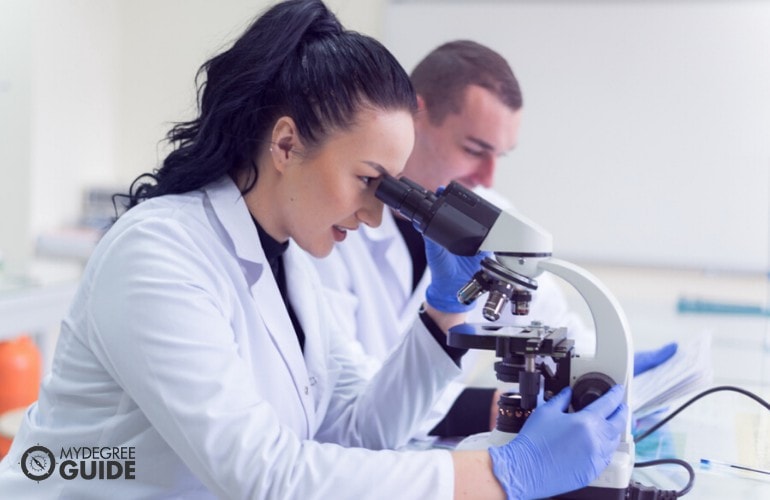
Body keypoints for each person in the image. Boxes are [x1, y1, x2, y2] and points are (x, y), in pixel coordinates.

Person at [0, 2, 628, 499]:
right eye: (368, 179)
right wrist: (502, 477)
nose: (380, 211)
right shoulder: (159, 255)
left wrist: (443, 314)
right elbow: (266, 478)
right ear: (284, 144)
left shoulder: (293, 262)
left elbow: (357, 431)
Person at [312, 40, 677, 437]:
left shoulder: (491, 214)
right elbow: (353, 399)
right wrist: (498, 408)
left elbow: (552, 323)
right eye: (473, 149)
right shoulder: (331, 224)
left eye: (498, 156)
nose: (487, 178)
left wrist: (608, 364)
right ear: (415, 114)